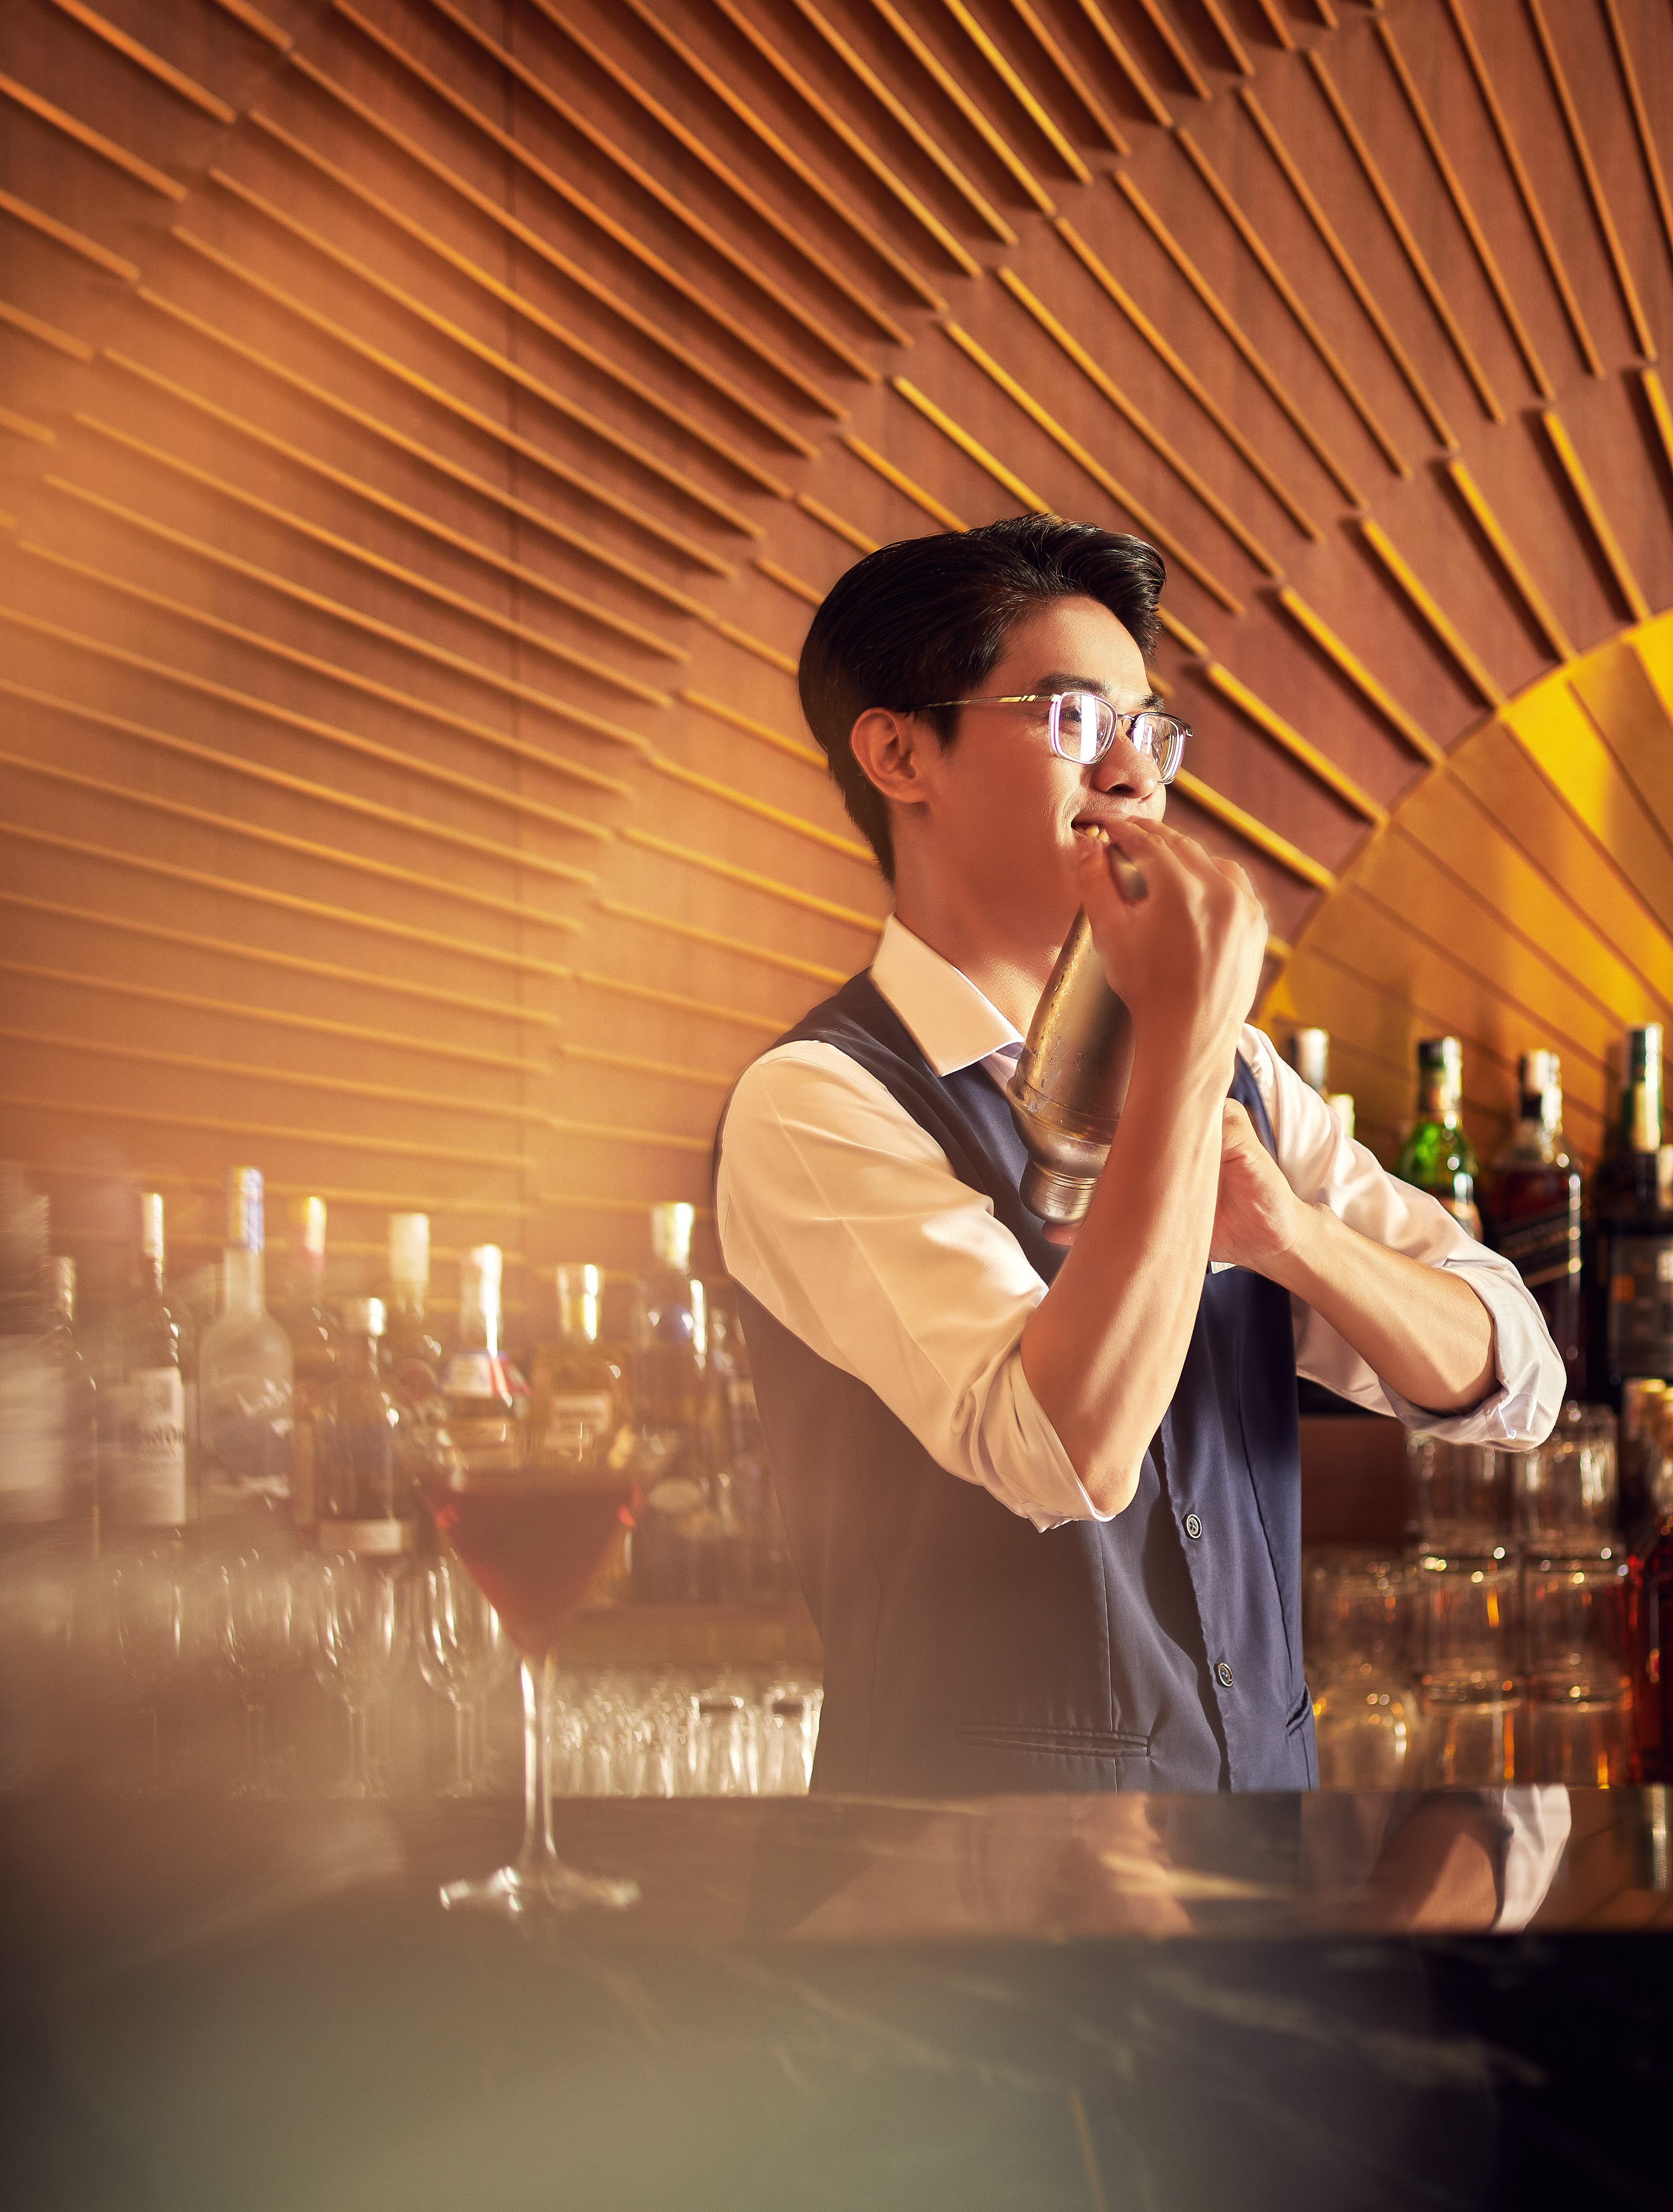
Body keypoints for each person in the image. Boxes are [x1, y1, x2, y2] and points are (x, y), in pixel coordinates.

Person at [715, 516, 1563, 1796]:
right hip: (961, 1915)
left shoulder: (1245, 1075)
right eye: (1068, 720)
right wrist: (1177, 1041)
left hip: (1257, 1884)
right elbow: (1064, 1453)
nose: (1130, 771)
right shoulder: (816, 1102)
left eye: (1148, 730)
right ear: (898, 752)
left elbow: (1516, 1379)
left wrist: (1292, 1234)